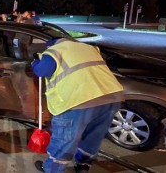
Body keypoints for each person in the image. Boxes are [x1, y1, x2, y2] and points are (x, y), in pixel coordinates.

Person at [31, 38, 124, 173]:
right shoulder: (88, 48)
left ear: (50, 45)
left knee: (65, 139)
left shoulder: (54, 51)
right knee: (93, 136)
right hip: (111, 97)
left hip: (78, 100)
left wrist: (35, 63)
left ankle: (52, 169)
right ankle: (83, 165)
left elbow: (41, 71)